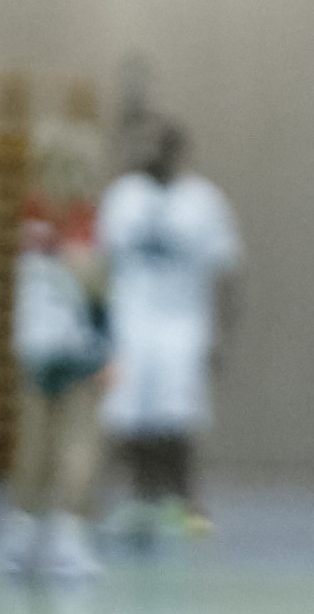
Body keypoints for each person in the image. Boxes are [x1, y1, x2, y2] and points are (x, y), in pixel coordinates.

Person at [97, 124, 239, 538]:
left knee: (179, 417)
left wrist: (223, 334)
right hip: (132, 325)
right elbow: (102, 266)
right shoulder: (123, 197)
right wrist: (98, 333)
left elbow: (227, 271)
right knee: (131, 419)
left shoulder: (204, 202)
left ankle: (185, 500)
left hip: (184, 325)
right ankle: (141, 500)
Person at [1, 125, 111, 584]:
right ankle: (68, 540)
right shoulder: (81, 215)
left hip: (34, 341)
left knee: (33, 442)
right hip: (73, 342)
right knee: (78, 442)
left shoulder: (32, 211)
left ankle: (19, 540)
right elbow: (86, 275)